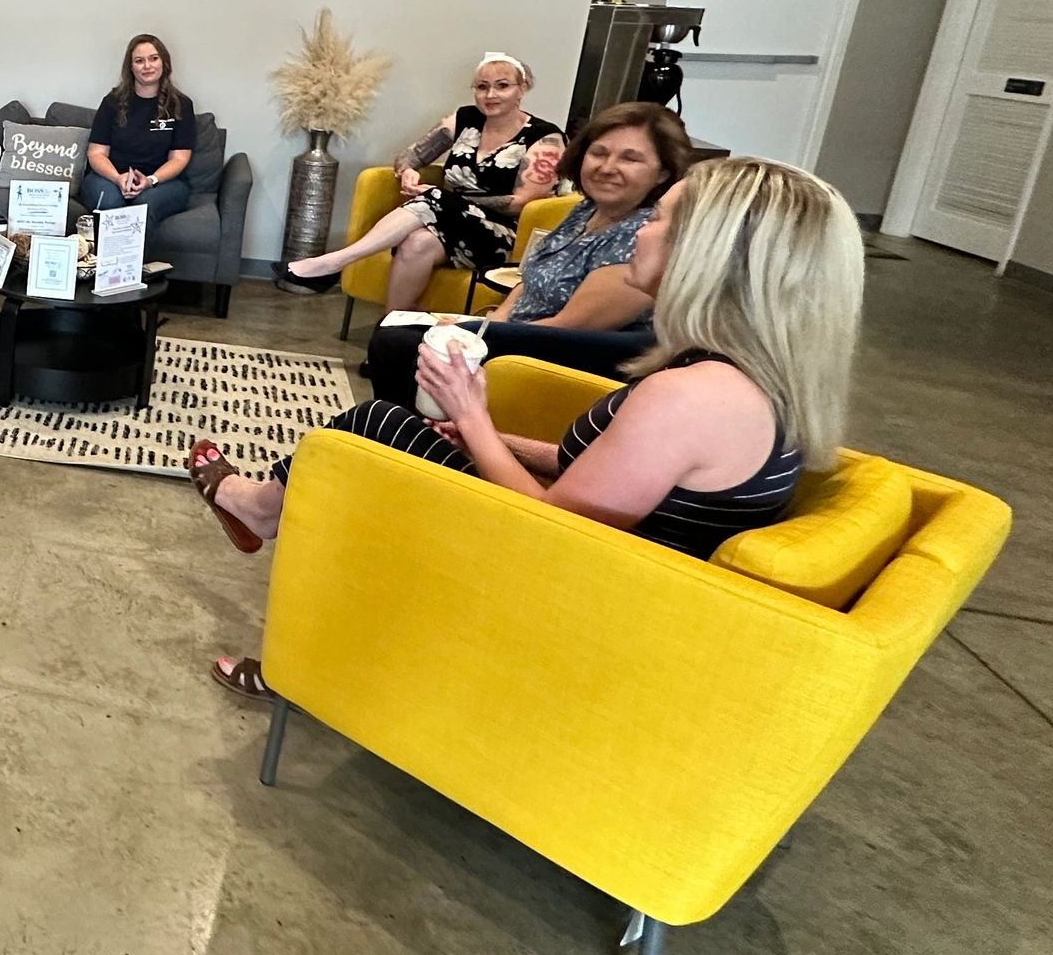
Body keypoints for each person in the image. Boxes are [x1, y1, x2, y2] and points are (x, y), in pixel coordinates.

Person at [196, 156, 863, 700]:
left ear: (709, 254)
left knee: (366, 438)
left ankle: (296, 637)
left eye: (660, 219)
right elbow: (617, 481)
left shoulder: (692, 397)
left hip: (572, 592)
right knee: (380, 434)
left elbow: (552, 526)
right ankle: (268, 528)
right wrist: (497, 441)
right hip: (619, 575)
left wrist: (472, 415)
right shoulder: (755, 378)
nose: (642, 231)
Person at [360, 102, 692, 406]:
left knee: (397, 342)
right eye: (599, 153)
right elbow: (529, 279)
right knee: (397, 326)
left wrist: (481, 332)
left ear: (662, 173)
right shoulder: (586, 210)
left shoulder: (643, 238)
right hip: (518, 332)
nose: (607, 167)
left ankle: (411, 438)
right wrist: (494, 319)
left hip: (550, 354)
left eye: (630, 158)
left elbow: (565, 329)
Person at [278, 53, 565, 308]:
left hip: (501, 236)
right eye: (482, 87)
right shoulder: (466, 118)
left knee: (436, 198)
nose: (490, 94)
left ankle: (337, 261)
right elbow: (406, 158)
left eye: (502, 86)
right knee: (416, 244)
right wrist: (409, 172)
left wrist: (449, 201)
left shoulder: (545, 137)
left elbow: (523, 204)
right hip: (445, 222)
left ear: (522, 89)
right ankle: (390, 334)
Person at [82, 34, 197, 231]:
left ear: (164, 62)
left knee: (143, 207)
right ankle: (105, 262)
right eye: (139, 61)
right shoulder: (112, 102)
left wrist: (150, 181)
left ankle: (133, 263)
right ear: (131, 67)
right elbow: (96, 153)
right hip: (110, 177)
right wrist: (118, 178)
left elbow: (179, 158)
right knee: (110, 204)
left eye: (153, 58)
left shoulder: (181, 105)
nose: (147, 66)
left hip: (162, 182)